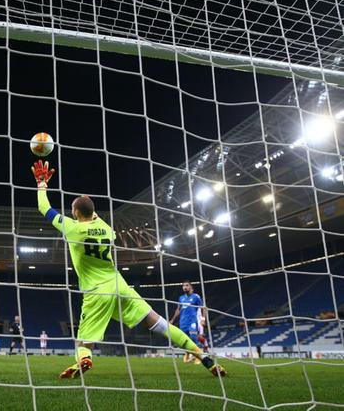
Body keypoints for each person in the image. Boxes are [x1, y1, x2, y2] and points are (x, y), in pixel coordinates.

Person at [31, 160, 225, 378]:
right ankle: (203, 356)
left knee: (83, 340)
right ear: (93, 212)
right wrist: (89, 209)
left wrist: (42, 184)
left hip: (96, 292)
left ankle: (85, 359)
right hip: (119, 285)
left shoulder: (73, 228)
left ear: (75, 212)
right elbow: (93, 216)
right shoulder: (107, 229)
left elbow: (44, 208)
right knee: (159, 322)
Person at [170, 280, 208, 363]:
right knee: (185, 340)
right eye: (183, 286)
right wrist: (172, 319)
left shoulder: (196, 297)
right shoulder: (181, 298)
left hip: (192, 321)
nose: (185, 287)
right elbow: (178, 309)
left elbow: (203, 308)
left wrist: (203, 319)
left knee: (194, 338)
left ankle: (199, 357)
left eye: (187, 285)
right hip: (183, 322)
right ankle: (187, 354)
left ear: (191, 287)